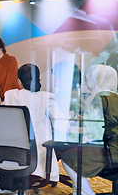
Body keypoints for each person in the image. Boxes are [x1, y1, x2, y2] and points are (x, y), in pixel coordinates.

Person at [0, 64, 69, 194]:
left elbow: (1, 121)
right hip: (35, 158)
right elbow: (62, 126)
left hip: (9, 154)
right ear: (38, 79)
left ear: (19, 81)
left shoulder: (10, 95)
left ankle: (11, 184)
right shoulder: (46, 97)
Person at [60, 64, 118, 195]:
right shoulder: (114, 96)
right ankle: (78, 191)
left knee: (67, 156)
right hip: (114, 147)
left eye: (91, 75)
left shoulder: (100, 97)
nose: (86, 78)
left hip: (109, 151)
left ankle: (85, 192)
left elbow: (94, 130)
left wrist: (77, 124)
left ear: (99, 79)